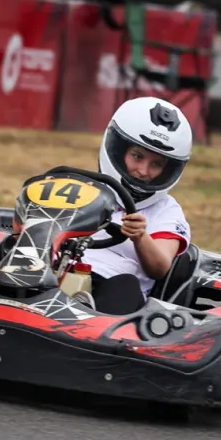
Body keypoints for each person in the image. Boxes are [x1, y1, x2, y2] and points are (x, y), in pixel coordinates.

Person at [79, 96, 193, 314]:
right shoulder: (81, 187)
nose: (143, 171)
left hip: (111, 295)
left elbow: (160, 268)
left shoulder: (166, 211)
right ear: (118, 150)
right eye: (137, 156)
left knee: (126, 285)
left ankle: (89, 320)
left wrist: (140, 237)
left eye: (156, 164)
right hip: (57, 275)